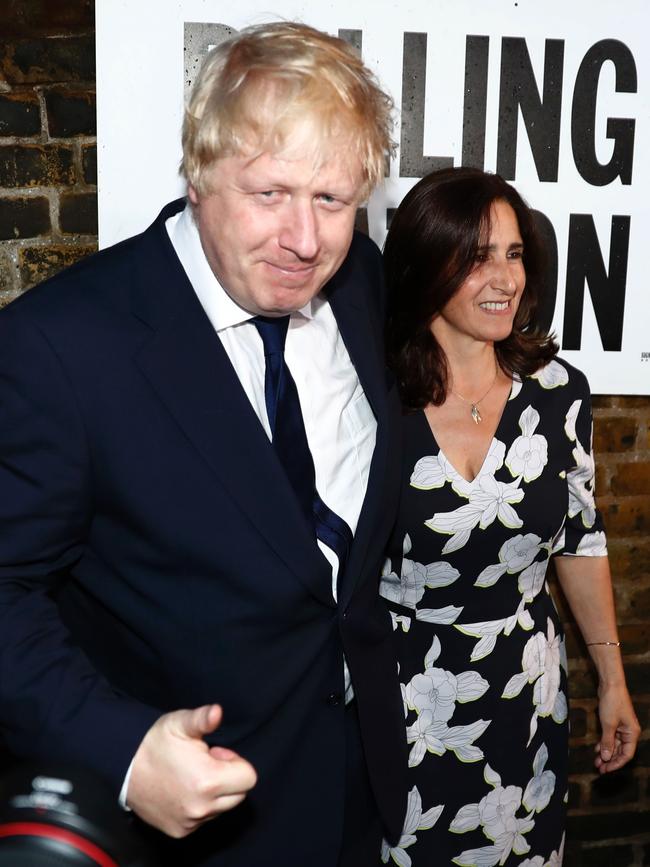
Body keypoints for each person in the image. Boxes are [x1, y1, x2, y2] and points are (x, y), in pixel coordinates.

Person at [0, 22, 407, 867]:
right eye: (270, 194)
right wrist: (123, 749)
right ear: (198, 171)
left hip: (355, 796)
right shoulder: (61, 347)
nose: (305, 239)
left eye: (333, 200)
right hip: (185, 833)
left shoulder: (361, 284)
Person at [380, 167, 640, 866]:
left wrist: (611, 681)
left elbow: (579, 537)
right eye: (476, 257)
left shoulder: (557, 392)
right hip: (397, 702)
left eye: (514, 253)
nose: (505, 278)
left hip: (524, 699)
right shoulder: (371, 396)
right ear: (426, 264)